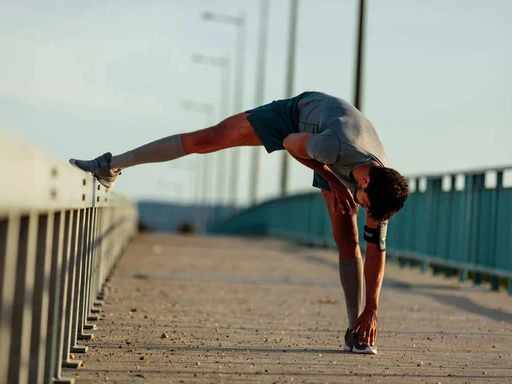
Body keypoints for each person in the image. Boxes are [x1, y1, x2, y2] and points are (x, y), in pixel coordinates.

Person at [70, 91, 409, 354]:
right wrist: (332, 179)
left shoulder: (382, 189)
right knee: (208, 139)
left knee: (348, 239)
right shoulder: (333, 147)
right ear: (363, 183)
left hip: (331, 153)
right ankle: (111, 165)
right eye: (365, 205)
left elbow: (376, 247)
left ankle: (358, 332)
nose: (367, 212)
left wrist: (373, 308)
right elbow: (293, 144)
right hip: (298, 117)